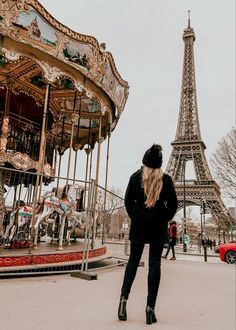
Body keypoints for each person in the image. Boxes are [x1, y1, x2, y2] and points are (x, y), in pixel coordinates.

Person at [118, 144, 178, 325]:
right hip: (158, 225)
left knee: (133, 262)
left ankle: (123, 301)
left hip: (139, 224)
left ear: (144, 163)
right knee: (155, 264)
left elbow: (128, 201)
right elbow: (173, 205)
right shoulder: (166, 180)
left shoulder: (136, 177)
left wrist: (136, 216)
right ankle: (150, 308)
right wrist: (163, 217)